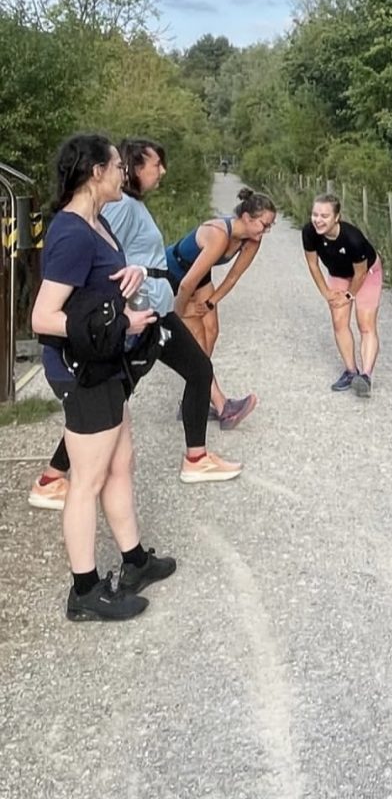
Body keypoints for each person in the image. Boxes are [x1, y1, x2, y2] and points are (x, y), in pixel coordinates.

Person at [29, 139, 243, 511]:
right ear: (129, 166)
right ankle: (52, 478)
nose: (161, 171)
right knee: (115, 399)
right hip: (138, 317)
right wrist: (121, 314)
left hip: (151, 312)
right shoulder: (118, 208)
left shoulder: (129, 205)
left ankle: (195, 456)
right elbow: (98, 261)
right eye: (155, 164)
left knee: (190, 372)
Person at [31, 133, 176, 621]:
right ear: (96, 172)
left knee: (121, 462)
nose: (122, 173)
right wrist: (122, 322)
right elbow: (44, 317)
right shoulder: (71, 231)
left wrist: (131, 276)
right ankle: (85, 591)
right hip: (82, 373)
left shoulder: (97, 223)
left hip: (104, 365)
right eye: (116, 166)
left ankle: (133, 560)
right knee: (87, 480)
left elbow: (96, 289)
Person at [165, 186, 277, 427]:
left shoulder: (251, 240)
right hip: (174, 273)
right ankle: (222, 405)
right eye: (264, 224)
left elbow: (233, 277)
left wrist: (210, 302)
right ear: (247, 218)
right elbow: (185, 285)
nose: (266, 231)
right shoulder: (218, 233)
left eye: (270, 226)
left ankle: (194, 397)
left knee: (212, 330)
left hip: (199, 275)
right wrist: (179, 313)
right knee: (197, 339)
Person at [302, 193, 382, 397]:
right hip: (338, 274)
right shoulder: (309, 232)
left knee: (365, 324)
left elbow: (360, 273)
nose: (318, 220)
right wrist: (327, 293)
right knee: (339, 321)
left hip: (366, 274)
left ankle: (365, 376)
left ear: (336, 217)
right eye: (315, 214)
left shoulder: (352, 238)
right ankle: (350, 371)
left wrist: (348, 296)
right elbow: (313, 264)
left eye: (325, 216)